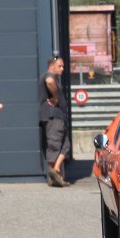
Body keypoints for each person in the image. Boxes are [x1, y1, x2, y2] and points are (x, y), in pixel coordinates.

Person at [39, 55, 71, 186]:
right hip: (53, 118)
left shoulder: (55, 78)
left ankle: (56, 170)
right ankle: (53, 177)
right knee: (54, 145)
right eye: (60, 66)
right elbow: (49, 82)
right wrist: (56, 96)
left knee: (66, 145)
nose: (62, 69)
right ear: (52, 66)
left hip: (59, 118)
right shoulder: (49, 76)